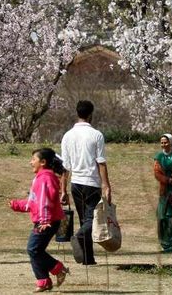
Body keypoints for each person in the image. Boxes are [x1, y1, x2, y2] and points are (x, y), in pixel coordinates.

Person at [9, 148, 70, 293]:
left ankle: (58, 269)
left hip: (47, 221)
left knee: (33, 249)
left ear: (43, 162)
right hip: (46, 219)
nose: (31, 162)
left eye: (33, 160)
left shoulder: (45, 178)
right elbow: (33, 203)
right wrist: (16, 205)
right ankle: (44, 281)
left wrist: (44, 220)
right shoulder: (41, 177)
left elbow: (44, 202)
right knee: (35, 250)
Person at [60, 100, 112, 265]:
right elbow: (101, 162)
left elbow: (65, 166)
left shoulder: (67, 135)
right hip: (92, 182)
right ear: (91, 114)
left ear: (77, 113)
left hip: (75, 183)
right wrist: (106, 185)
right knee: (92, 220)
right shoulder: (96, 135)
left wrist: (63, 190)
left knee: (85, 219)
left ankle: (88, 258)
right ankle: (79, 236)